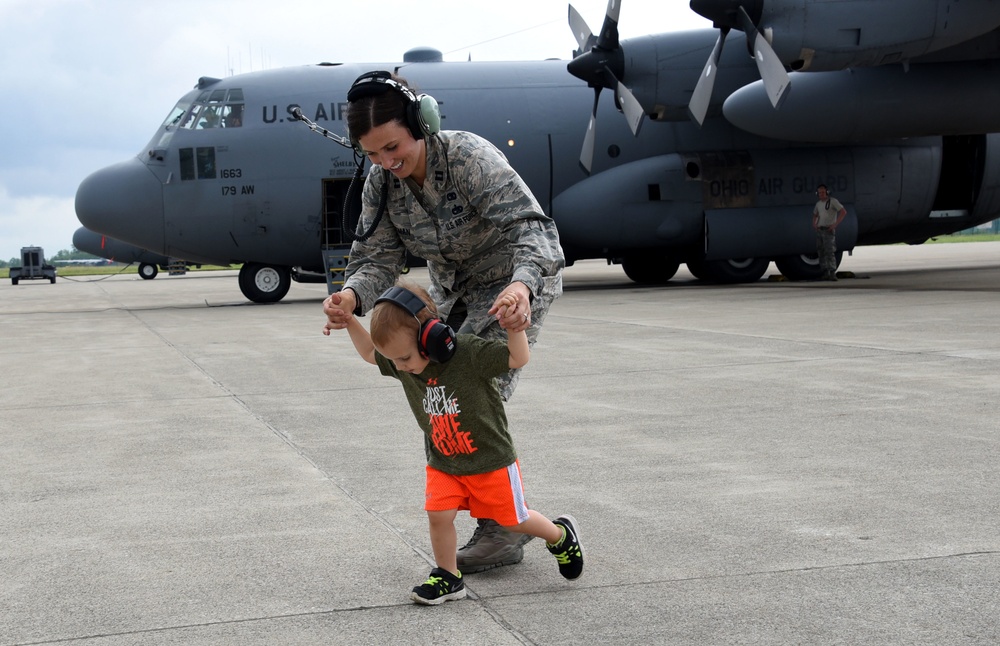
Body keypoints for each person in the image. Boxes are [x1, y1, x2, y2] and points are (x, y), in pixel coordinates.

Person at [322, 70, 565, 574]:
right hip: (450, 293)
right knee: (440, 397)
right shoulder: (381, 183)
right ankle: (473, 501)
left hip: (510, 288)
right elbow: (375, 259)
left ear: (420, 123)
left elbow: (533, 229)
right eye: (372, 154)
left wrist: (522, 286)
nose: (386, 163)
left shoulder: (467, 157)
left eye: (393, 148)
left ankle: (502, 526)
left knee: (476, 390)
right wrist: (349, 297)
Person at [344, 282, 583, 605]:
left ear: (430, 338)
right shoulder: (403, 361)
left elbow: (518, 357)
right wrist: (349, 319)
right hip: (444, 462)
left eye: (403, 358)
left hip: (490, 461)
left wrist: (514, 327)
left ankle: (560, 536)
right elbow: (372, 353)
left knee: (515, 520)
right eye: (395, 361)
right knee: (438, 515)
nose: (399, 368)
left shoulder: (469, 353)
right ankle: (449, 576)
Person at [812, 184, 847, 281]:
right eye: (819, 193)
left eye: (823, 192)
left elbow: (843, 211)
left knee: (829, 251)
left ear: (827, 192)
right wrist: (814, 224)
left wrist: (835, 224)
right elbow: (815, 214)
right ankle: (825, 272)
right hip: (820, 230)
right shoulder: (818, 204)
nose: (821, 194)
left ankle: (832, 272)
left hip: (828, 230)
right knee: (821, 251)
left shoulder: (833, 201)